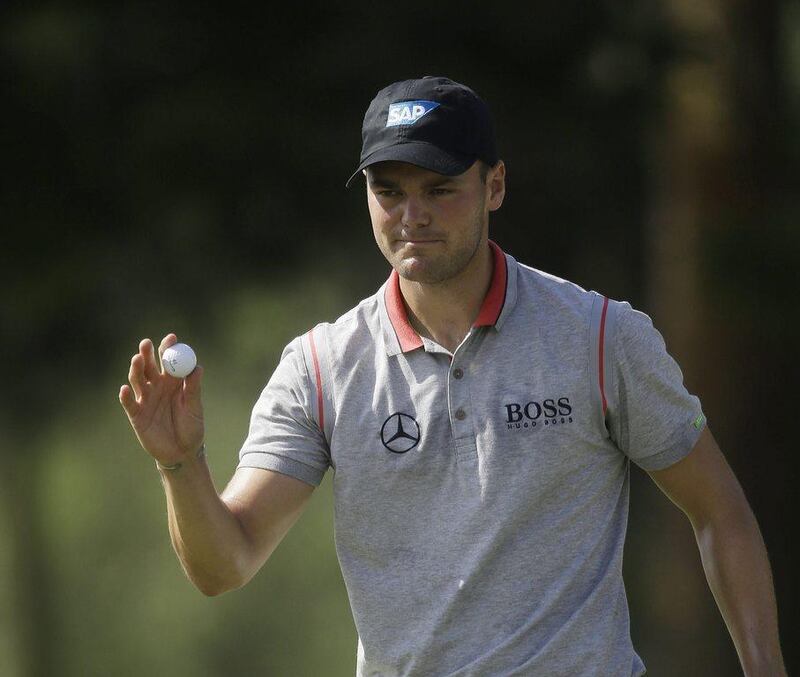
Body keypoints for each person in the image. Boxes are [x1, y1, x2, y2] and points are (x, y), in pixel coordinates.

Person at [119, 76, 787, 676]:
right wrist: (182, 465)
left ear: (494, 185)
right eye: (390, 191)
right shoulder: (321, 367)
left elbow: (719, 511)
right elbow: (225, 562)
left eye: (440, 189)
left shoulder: (599, 336)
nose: (413, 215)